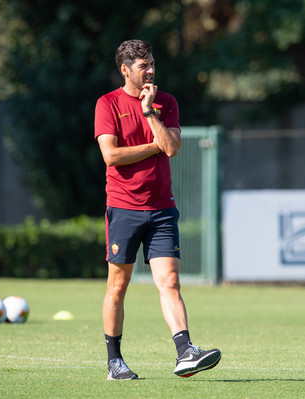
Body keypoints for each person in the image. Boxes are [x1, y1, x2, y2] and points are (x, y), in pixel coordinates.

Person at [94, 39, 221, 381]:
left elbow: (174, 149)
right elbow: (112, 156)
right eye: (143, 66)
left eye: (152, 63)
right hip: (123, 208)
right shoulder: (107, 104)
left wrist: (150, 111)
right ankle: (114, 361)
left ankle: (185, 352)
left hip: (162, 209)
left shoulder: (165, 102)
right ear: (125, 70)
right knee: (118, 286)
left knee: (170, 281)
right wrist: (154, 146)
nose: (150, 70)